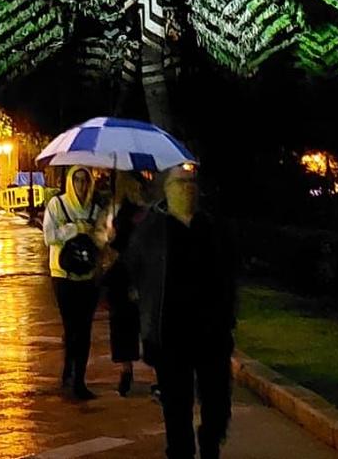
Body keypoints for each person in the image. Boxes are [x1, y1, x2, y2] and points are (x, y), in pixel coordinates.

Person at [127, 163, 236, 459]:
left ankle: (210, 441)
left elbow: (229, 274)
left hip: (211, 333)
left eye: (191, 182)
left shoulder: (211, 227)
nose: (187, 188)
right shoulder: (151, 229)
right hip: (170, 334)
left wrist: (228, 317)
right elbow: (131, 272)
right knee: (177, 405)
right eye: (180, 183)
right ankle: (181, 451)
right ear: (167, 189)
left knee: (215, 401)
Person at [42, 166, 107, 399]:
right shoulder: (57, 205)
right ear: (70, 182)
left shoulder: (96, 209)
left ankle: (79, 378)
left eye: (85, 181)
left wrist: (96, 234)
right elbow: (49, 235)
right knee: (71, 327)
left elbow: (102, 239)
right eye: (77, 180)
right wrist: (73, 229)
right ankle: (68, 370)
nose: (81, 185)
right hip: (63, 275)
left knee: (85, 327)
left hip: (88, 276)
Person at [99, 170, 150, 397]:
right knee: (131, 325)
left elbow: (123, 243)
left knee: (129, 326)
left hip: (131, 274)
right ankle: (129, 370)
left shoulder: (133, 213)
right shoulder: (123, 210)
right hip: (128, 275)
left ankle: (129, 369)